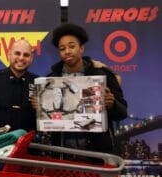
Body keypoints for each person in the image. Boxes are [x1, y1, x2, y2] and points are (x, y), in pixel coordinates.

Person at [34, 23, 128, 162]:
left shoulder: (104, 75)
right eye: (62, 48)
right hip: (62, 155)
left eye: (72, 46)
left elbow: (123, 113)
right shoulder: (51, 80)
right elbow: (47, 120)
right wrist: (40, 108)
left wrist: (112, 104)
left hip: (97, 154)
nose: (67, 51)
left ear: (81, 48)